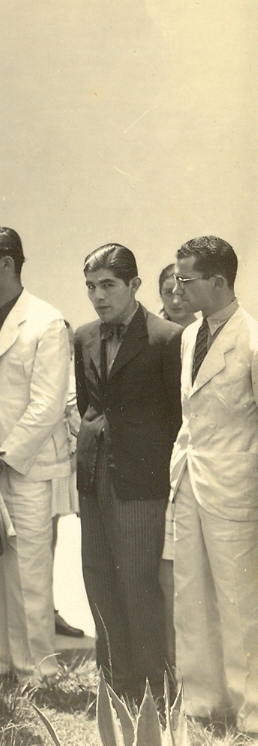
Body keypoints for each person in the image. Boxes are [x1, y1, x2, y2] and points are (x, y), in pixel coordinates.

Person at [73, 243, 180, 704]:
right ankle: (115, 682)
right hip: (93, 474)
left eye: (108, 285)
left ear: (135, 285)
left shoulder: (167, 338)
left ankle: (155, 687)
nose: (98, 296)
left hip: (140, 479)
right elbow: (88, 405)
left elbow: (177, 416)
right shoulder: (82, 336)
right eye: (91, 287)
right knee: (98, 577)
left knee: (138, 582)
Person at [0, 226, 70, 684]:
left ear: (6, 264)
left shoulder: (46, 321)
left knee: (28, 569)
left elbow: (47, 404)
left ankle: (38, 671)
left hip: (26, 465)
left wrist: (4, 454)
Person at [170, 235, 258, 733]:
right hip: (190, 479)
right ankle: (204, 703)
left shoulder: (251, 340)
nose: (177, 290)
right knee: (191, 593)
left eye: (187, 280)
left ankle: (252, 710)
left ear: (219, 281)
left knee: (240, 599)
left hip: (236, 486)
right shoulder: (189, 336)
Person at [156, 260, 198, 664]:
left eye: (184, 288)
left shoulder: (206, 338)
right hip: (159, 467)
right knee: (163, 575)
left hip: (200, 465)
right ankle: (169, 666)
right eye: (170, 289)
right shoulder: (154, 338)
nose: (177, 296)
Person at [159, 262, 199, 329]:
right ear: (161, 295)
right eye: (168, 293)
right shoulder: (152, 332)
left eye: (182, 292)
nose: (175, 301)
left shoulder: (206, 334)